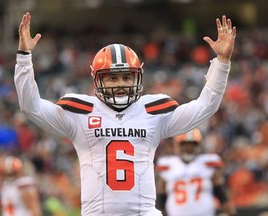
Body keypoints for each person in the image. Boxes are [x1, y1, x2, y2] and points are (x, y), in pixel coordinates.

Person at [14, 12, 236, 216]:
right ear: (98, 80)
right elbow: (30, 106)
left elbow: (205, 106)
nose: (120, 83)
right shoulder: (81, 113)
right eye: (112, 78)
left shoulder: (153, 112)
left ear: (137, 77)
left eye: (126, 77)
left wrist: (222, 63)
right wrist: (24, 57)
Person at [155, 128, 236, 216]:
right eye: (184, 144)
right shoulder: (167, 164)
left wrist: (229, 210)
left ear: (199, 145)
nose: (188, 148)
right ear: (177, 145)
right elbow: (160, 198)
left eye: (192, 144)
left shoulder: (208, 162)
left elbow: (221, 194)